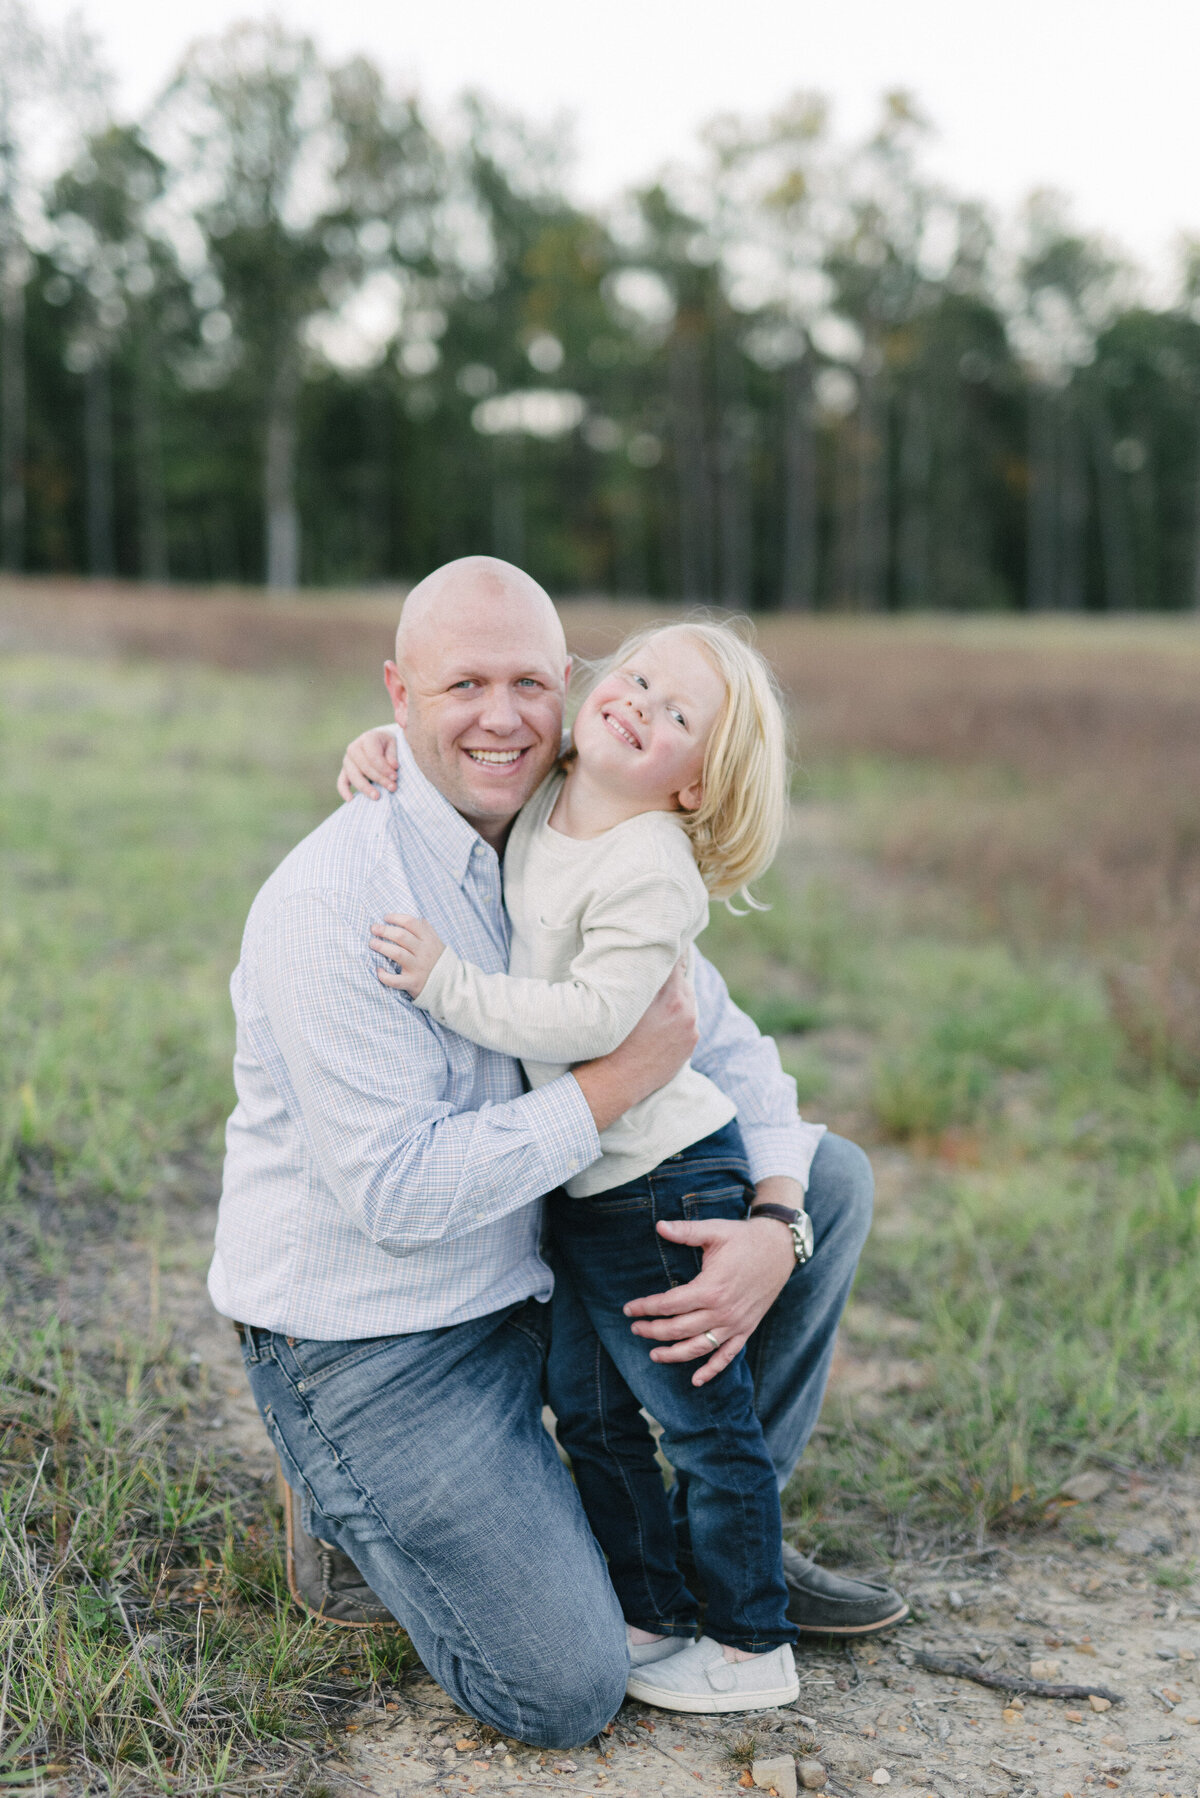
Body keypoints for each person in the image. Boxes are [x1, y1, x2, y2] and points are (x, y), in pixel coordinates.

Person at [209, 556, 903, 1752]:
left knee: (829, 1183)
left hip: (545, 1269)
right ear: (398, 692)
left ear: (570, 689)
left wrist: (772, 1231)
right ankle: (339, 1499)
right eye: (461, 685)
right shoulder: (336, 899)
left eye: (529, 681)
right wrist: (605, 1091)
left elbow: (736, 1059)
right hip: (384, 1338)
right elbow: (397, 1194)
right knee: (565, 1688)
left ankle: (717, 1544)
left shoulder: (586, 826)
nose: (502, 716)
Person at [365, 621, 799, 1714]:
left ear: (695, 787)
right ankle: (652, 1608)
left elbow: (590, 1019)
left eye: (678, 715)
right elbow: (473, 747)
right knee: (589, 1408)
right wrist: (382, 743)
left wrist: (446, 984)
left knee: (700, 1419)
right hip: (588, 1183)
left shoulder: (651, 869)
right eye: (640, 676)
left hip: (665, 1181)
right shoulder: (559, 782)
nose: (641, 702)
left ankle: (754, 1642)